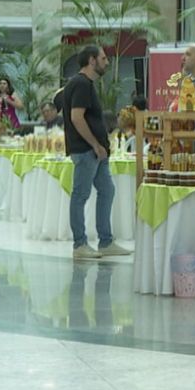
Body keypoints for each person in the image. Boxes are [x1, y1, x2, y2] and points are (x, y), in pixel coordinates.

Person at [63, 45, 131, 260]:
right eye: (103, 58)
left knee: (107, 190)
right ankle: (80, 244)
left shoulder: (85, 84)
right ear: (92, 60)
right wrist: (94, 144)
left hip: (96, 152)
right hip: (86, 151)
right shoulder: (81, 84)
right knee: (80, 194)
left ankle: (106, 241)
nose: (107, 62)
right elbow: (76, 117)